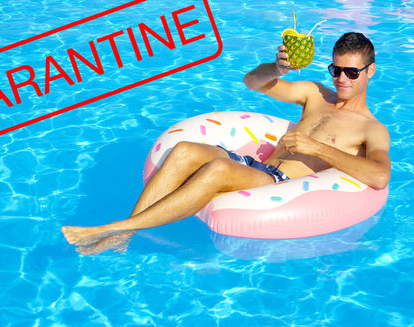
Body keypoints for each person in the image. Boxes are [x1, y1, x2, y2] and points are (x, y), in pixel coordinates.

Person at [62, 32, 391, 255]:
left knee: (218, 168)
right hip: (255, 167)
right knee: (186, 150)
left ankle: (119, 228)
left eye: (351, 72)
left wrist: (317, 148)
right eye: (336, 69)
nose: (341, 79)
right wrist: (276, 68)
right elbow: (253, 82)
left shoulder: (371, 129)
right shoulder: (315, 93)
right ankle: (125, 237)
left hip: (280, 182)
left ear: (370, 71)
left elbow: (379, 176)